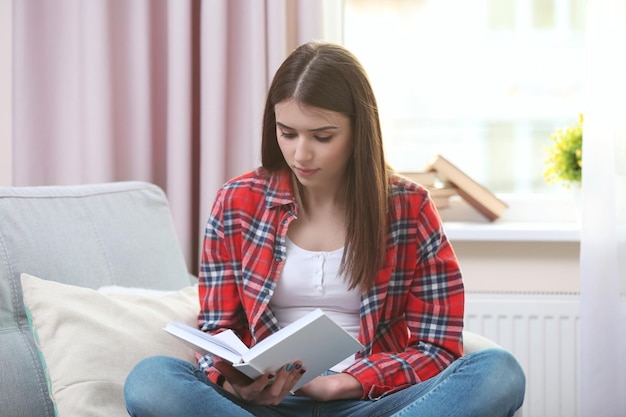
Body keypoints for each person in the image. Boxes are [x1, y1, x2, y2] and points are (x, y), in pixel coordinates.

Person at [124, 41, 525, 417]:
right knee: (151, 379)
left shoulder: (408, 207)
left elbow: (437, 346)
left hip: (370, 402)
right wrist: (237, 381)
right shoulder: (237, 202)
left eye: (323, 136)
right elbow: (218, 328)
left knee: (498, 371)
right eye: (288, 133)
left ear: (358, 132)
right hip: (266, 406)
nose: (301, 153)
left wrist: (345, 383)